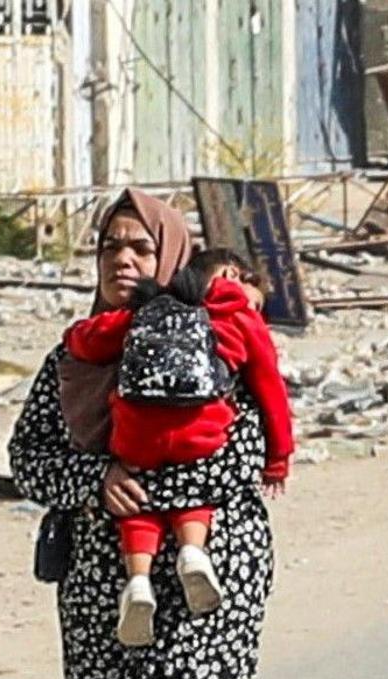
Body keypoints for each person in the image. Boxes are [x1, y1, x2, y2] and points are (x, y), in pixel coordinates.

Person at [7, 191, 284, 679]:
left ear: (169, 258)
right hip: (103, 583)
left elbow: (243, 454)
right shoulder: (75, 355)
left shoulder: (215, 340)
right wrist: (98, 478)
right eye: (108, 248)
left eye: (137, 247)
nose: (122, 262)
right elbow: (27, 458)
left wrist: (147, 487)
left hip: (206, 575)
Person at [56, 245, 293, 651]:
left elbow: (92, 340)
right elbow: (272, 391)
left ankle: (137, 580)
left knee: (140, 500)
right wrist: (279, 459)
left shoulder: (154, 306)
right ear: (234, 277)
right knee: (192, 486)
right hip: (198, 429)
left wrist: (75, 334)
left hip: (135, 433)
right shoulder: (240, 318)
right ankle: (193, 553)